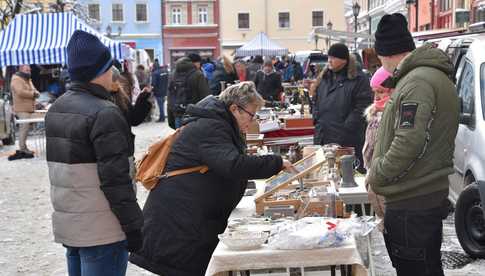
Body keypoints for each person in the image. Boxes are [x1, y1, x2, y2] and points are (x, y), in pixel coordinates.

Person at [129, 82, 293, 276]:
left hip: (189, 219)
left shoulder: (217, 123)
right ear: (235, 109)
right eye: (251, 114)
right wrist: (276, 163)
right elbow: (232, 165)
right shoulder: (211, 127)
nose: (253, 120)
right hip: (179, 224)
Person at [45, 30, 144, 276]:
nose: (113, 72)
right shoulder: (104, 113)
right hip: (103, 228)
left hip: (73, 224)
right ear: (99, 71)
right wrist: (134, 226)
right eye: (109, 66)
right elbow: (115, 179)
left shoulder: (57, 107)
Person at [368, 14, 459, 276]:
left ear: (385, 52)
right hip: (418, 197)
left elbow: (409, 141)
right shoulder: (423, 77)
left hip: (412, 200)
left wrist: (379, 172)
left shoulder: (417, 81)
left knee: (417, 269)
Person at [311, 43, 372, 172]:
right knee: (326, 173)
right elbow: (316, 100)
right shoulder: (325, 77)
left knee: (349, 175)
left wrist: (346, 128)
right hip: (323, 136)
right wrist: (316, 119)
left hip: (347, 139)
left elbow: (362, 107)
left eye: (333, 57)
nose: (329, 60)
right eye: (329, 57)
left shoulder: (359, 79)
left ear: (344, 59)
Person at [362, 66, 393, 231]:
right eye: (374, 92)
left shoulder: (392, 115)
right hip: (375, 179)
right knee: (383, 222)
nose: (376, 97)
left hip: (386, 180)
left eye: (380, 92)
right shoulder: (375, 115)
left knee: (390, 226)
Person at [111, 67, 152, 183]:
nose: (118, 82)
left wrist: (142, 99)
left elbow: (134, 119)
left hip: (125, 151)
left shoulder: (120, 96)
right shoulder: (97, 98)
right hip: (109, 153)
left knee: (129, 186)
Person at [167, 56, 211, 129]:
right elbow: (206, 97)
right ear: (194, 63)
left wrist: (171, 119)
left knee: (180, 139)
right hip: (195, 117)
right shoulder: (198, 74)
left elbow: (170, 97)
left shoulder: (172, 75)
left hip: (178, 116)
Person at [8, 64, 39, 160]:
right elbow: (20, 92)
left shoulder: (27, 79)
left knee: (26, 129)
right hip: (21, 109)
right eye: (27, 70)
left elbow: (34, 89)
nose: (29, 72)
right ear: (21, 69)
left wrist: (36, 92)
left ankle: (24, 148)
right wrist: (33, 94)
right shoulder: (16, 79)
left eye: (29, 70)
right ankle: (22, 149)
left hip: (29, 108)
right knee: (23, 129)